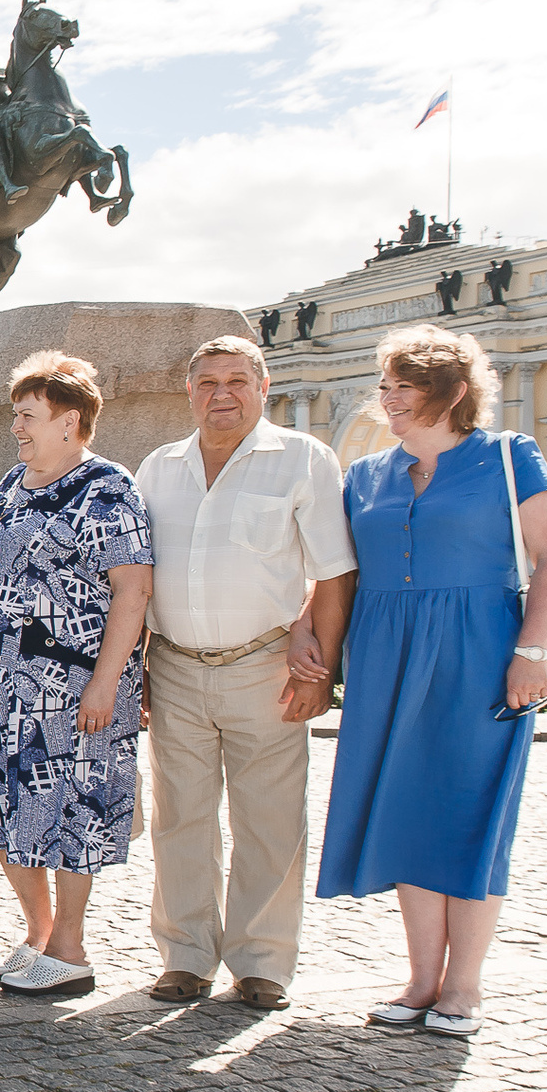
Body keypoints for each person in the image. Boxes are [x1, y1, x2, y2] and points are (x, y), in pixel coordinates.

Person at [300, 325, 547, 1039]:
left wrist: (532, 649)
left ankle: (464, 985)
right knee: (406, 810)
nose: (387, 399)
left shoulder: (510, 455)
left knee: (471, 810)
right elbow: (337, 572)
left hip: (481, 651)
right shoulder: (365, 475)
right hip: (384, 656)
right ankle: (421, 978)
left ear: (451, 393)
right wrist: (306, 629)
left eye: (404, 387)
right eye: (385, 386)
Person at [134, 336, 356, 1011]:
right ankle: (185, 956)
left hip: (268, 665)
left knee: (270, 820)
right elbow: (137, 577)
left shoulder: (303, 459)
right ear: (189, 391)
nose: (221, 394)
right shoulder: (159, 467)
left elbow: (334, 571)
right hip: (174, 665)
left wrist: (320, 665)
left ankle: (262, 963)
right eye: (207, 382)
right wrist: (138, 666)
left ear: (263, 388)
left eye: (236, 380)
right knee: (180, 818)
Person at [0, 352, 155, 999]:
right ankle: (39, 935)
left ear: (69, 421)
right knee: (4, 808)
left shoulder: (108, 488)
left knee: (71, 810)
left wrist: (106, 681)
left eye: (28, 415)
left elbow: (132, 591)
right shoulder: (13, 482)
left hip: (68, 688)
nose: (16, 426)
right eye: (16, 415)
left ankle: (70, 949)